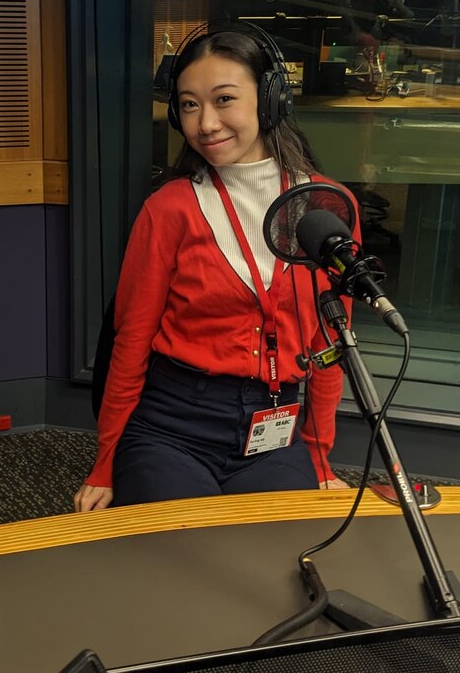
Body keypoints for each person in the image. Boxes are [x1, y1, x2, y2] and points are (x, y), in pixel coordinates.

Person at [74, 27, 358, 513]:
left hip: (275, 423)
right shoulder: (168, 209)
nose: (205, 123)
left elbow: (330, 347)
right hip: (174, 423)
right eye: (188, 105)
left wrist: (319, 457)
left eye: (224, 99)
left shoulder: (324, 207)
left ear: (270, 99)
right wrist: (105, 462)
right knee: (182, 551)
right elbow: (131, 340)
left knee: (276, 553)